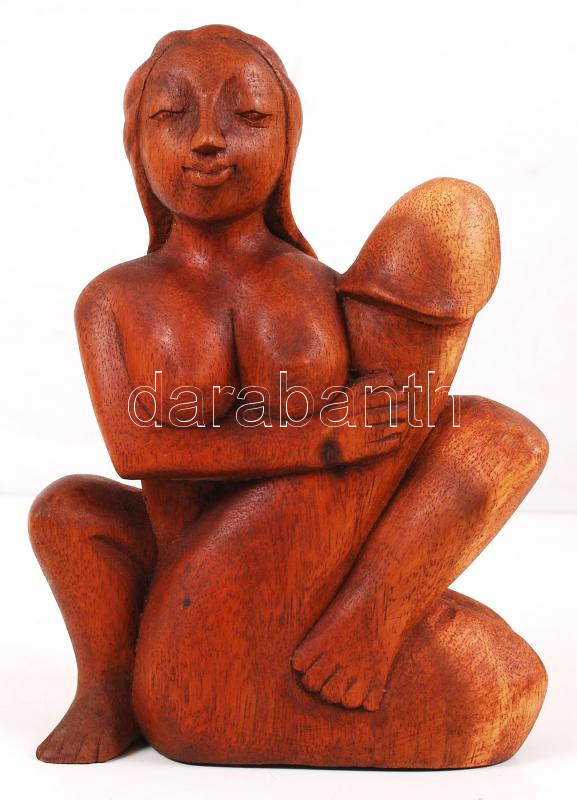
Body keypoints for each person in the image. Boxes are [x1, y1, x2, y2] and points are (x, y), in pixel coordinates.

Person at [29, 25, 548, 767]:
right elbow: (137, 449)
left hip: (303, 568)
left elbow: (393, 424)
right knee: (65, 511)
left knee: (492, 435)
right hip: (182, 569)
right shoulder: (113, 299)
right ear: (136, 148)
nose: (208, 139)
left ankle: (365, 611)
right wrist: (313, 441)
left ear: (287, 147)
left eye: (248, 116)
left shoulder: (319, 287)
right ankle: (107, 688)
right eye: (172, 115)